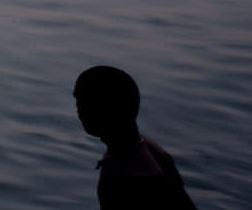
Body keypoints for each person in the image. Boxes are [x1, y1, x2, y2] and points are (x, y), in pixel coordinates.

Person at [73, 65, 196, 208]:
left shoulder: (125, 179)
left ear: (109, 110)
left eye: (84, 103)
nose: (78, 110)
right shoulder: (146, 147)